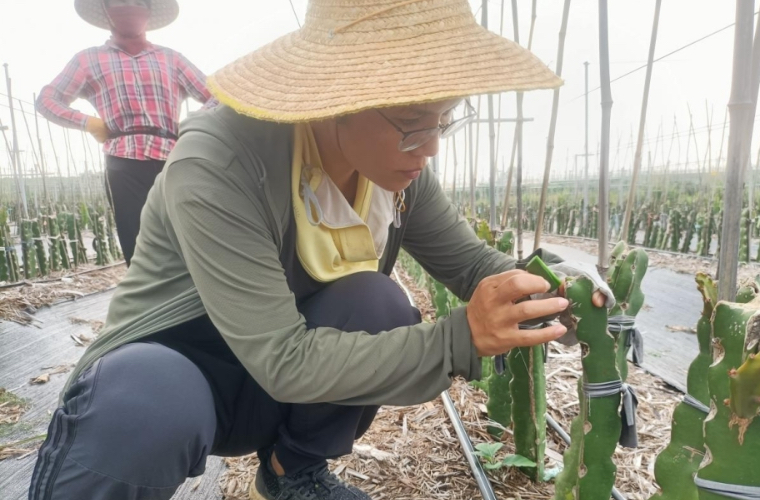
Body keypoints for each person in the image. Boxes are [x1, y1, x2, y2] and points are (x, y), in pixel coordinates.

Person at [28, 1, 614, 499]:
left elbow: (471, 265)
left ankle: (291, 472)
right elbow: (283, 358)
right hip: (183, 365)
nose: (431, 147)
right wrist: (462, 337)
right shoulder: (220, 159)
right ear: (336, 98)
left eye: (446, 118)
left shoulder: (397, 172)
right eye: (413, 122)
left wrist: (551, 285)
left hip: (276, 383)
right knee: (147, 399)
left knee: (377, 302)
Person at [35, 0, 213, 266]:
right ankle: (148, 305)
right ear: (107, 10)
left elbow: (216, 95)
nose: (129, 6)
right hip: (123, 161)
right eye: (119, 1)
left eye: (138, 2)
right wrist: (87, 122)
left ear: (149, 11)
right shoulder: (88, 59)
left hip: (172, 159)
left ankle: (195, 303)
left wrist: (192, 125)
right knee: (139, 245)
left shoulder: (171, 58)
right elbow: (47, 100)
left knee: (188, 239)